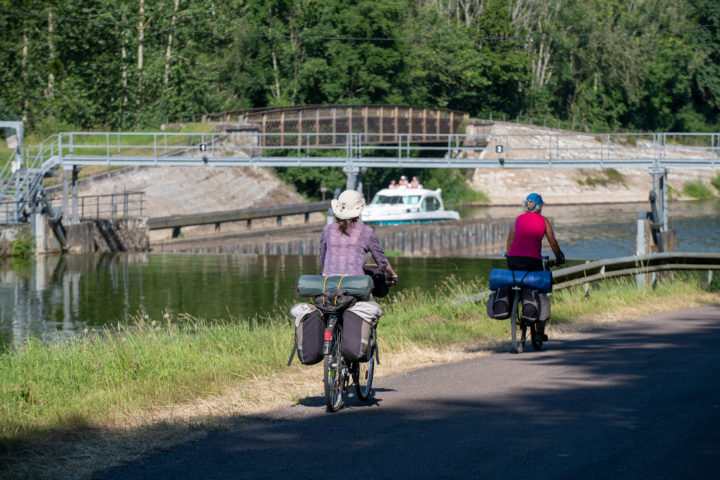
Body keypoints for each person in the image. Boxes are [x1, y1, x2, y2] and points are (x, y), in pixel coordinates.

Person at [505, 193, 564, 340]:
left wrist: (508, 255)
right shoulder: (543, 221)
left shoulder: (518, 219)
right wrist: (559, 258)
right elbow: (553, 242)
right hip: (532, 261)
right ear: (540, 207)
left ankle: (515, 305)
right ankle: (538, 332)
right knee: (539, 289)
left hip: (513, 260)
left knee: (516, 281)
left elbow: (510, 240)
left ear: (526, 205)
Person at [320, 189, 398, 280]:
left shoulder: (327, 230)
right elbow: (381, 261)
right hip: (355, 283)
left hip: (328, 282)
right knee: (377, 278)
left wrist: (324, 273)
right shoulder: (366, 231)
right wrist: (391, 274)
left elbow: (322, 259)